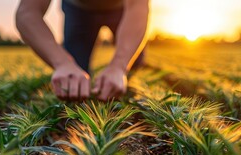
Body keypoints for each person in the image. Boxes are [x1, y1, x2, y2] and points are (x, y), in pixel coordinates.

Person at [16, 0, 149, 101]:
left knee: (134, 64)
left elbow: (139, 7)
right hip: (78, 10)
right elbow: (27, 13)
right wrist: (62, 63)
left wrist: (119, 66)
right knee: (74, 78)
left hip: (122, 8)